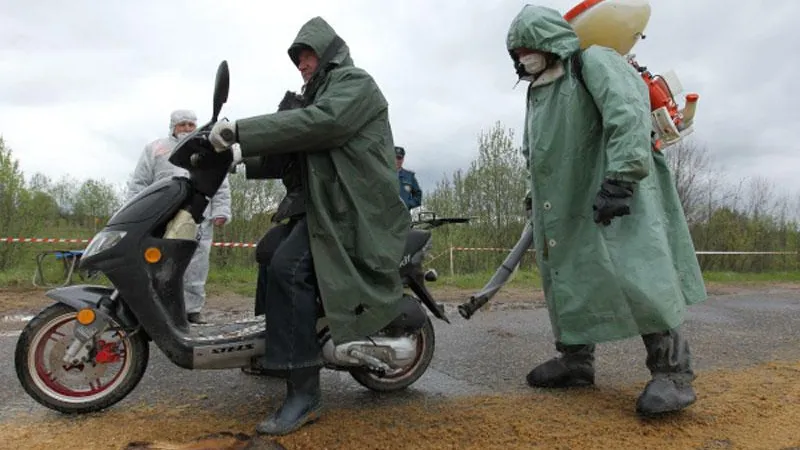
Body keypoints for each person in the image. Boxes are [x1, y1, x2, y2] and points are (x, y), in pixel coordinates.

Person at [205, 16, 412, 436]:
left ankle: (304, 390)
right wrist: (232, 155)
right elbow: (291, 150)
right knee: (267, 253)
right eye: (297, 59)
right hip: (318, 204)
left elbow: (323, 124)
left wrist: (241, 130)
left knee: (290, 267)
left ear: (329, 53)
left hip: (350, 207)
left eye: (308, 55)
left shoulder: (355, 85)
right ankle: (275, 352)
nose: (301, 64)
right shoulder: (314, 96)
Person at [505, 5, 707, 417]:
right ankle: (576, 362)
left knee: (637, 272)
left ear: (547, 42)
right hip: (562, 201)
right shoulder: (538, 90)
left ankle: (673, 374)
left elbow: (626, 114)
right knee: (567, 275)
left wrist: (621, 178)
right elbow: (536, 152)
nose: (523, 56)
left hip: (612, 186)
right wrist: (534, 193)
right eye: (517, 52)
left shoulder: (592, 61)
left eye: (528, 47)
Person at [126, 109, 232, 324]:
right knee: (158, 260)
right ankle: (158, 309)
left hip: (199, 215)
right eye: (182, 125)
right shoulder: (156, 149)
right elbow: (139, 183)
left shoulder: (206, 149)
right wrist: (132, 213)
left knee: (196, 263)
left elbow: (221, 184)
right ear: (173, 127)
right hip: (161, 215)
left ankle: (192, 310)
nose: (186, 129)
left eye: (190, 125)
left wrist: (221, 211)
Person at [395, 146, 422, 210]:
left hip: (404, 216)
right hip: (387, 215)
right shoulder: (384, 174)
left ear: (403, 159)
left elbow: (418, 196)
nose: (397, 160)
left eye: (399, 158)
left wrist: (408, 204)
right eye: (395, 157)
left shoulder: (409, 176)